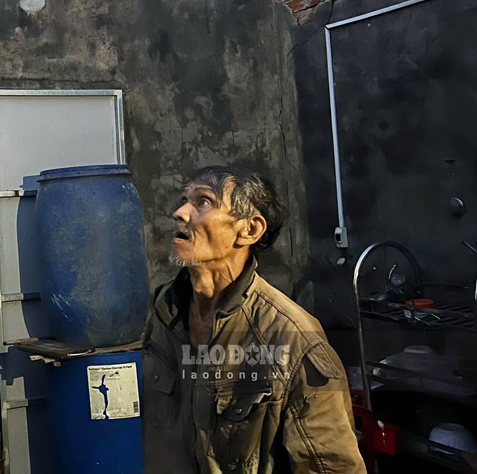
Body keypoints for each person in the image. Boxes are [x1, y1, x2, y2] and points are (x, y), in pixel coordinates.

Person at [143, 166, 365, 473]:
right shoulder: (163, 311)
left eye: (203, 202)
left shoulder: (292, 337)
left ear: (249, 230)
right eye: (184, 200)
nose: (180, 213)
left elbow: (331, 467)